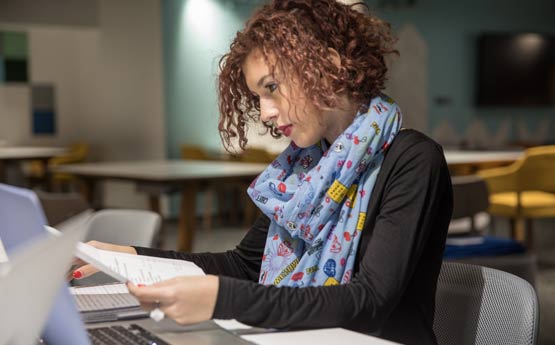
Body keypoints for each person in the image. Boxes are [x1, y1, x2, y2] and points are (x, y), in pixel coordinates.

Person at [72, 1, 453, 344]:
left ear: (330, 67)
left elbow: (368, 301)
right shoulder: (305, 166)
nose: (266, 112)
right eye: (258, 96)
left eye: (272, 88)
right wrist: (132, 256)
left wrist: (222, 300)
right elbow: (244, 265)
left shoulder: (413, 159)